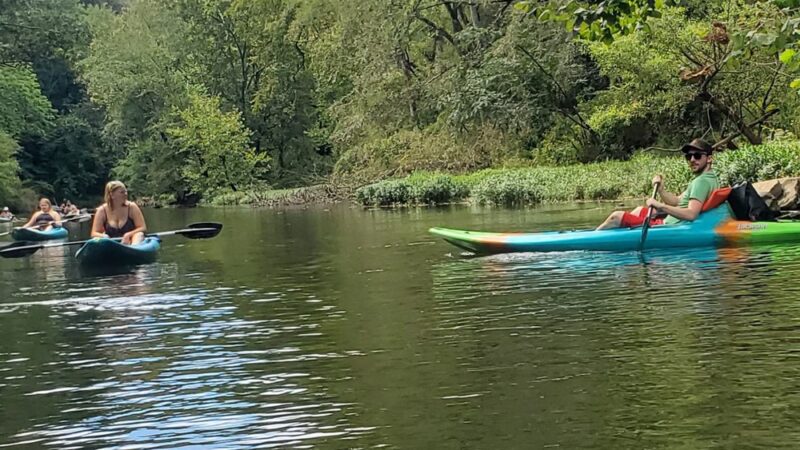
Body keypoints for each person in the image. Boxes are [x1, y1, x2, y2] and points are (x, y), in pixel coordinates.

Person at [596, 138, 720, 230]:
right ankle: (623, 233)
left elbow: (691, 214)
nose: (692, 160)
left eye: (697, 156)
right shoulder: (708, 178)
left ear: (709, 159)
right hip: (671, 222)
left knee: (616, 217)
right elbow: (677, 201)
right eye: (689, 157)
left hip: (670, 227)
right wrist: (661, 190)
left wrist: (659, 206)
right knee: (640, 210)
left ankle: (593, 239)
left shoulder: (701, 182)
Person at [91, 181, 147, 245]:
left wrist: (128, 235)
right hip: (112, 244)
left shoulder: (132, 207)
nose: (126, 194)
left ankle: (133, 249)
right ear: (112, 195)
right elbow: (94, 233)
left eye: (126, 191)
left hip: (131, 241)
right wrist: (104, 236)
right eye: (122, 192)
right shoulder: (102, 210)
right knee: (97, 239)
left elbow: (142, 227)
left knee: (139, 234)